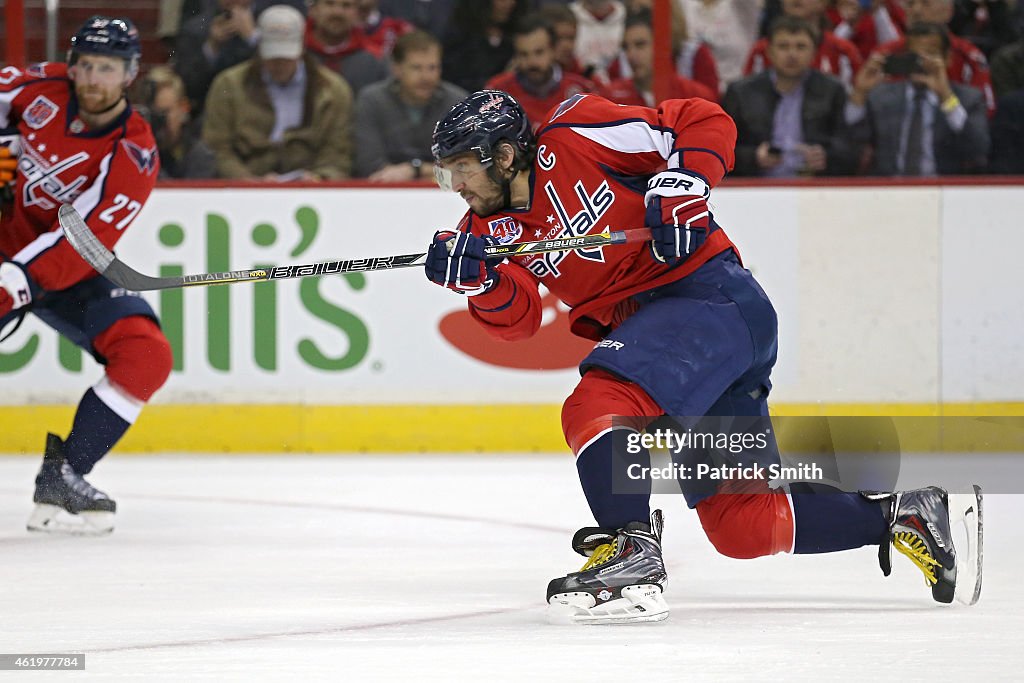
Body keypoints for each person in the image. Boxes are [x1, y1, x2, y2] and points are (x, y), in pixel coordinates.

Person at [424, 89, 983, 623]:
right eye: (445, 172)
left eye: (460, 168)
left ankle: (631, 549)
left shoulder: (576, 135)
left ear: (503, 155)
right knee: (742, 524)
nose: (454, 185)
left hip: (712, 300)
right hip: (688, 343)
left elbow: (700, 118)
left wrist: (684, 180)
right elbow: (517, 321)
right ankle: (903, 515)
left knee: (600, 399)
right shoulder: (482, 230)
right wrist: (482, 283)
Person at [0, 17, 172, 536]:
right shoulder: (37, 87)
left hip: (62, 271)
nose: (94, 79)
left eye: (109, 68)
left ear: (130, 76)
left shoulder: (133, 151)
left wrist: (18, 280)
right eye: (87, 66)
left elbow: (84, 240)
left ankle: (65, 474)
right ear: (72, 66)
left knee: (145, 355)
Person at [203, 5, 354, 180]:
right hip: (246, 187)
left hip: (312, 187)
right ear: (260, 48)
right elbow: (217, 149)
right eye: (273, 57)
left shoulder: (334, 90)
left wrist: (319, 178)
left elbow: (338, 152)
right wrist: (248, 181)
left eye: (286, 58)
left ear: (301, 49)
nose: (279, 64)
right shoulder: (228, 85)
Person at [847, 22, 989, 175]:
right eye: (914, 55)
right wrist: (859, 94)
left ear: (947, 58)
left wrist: (946, 97)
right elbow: (851, 143)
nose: (921, 62)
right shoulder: (881, 96)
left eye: (930, 54)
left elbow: (978, 149)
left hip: (944, 189)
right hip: (888, 189)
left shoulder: (968, 99)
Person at [723, 16, 855, 176]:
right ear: (769, 52)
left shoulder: (832, 90)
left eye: (801, 47)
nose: (792, 54)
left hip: (814, 187)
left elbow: (850, 148)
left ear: (814, 53)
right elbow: (720, 149)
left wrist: (826, 157)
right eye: (783, 46)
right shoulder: (741, 92)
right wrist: (753, 157)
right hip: (754, 188)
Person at [354, 30, 467, 179]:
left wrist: (416, 170)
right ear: (396, 69)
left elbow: (465, 167)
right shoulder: (372, 101)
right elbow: (369, 164)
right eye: (416, 68)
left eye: (432, 68)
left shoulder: (458, 103)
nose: (426, 77)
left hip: (444, 193)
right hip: (385, 191)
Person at [484, 13, 597, 129]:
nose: (532, 62)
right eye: (523, 54)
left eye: (539, 52)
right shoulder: (497, 93)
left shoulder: (582, 90)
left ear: (553, 50)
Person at [599, 9, 717, 106]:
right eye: (626, 47)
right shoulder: (610, 97)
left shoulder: (697, 96)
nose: (631, 54)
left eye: (640, 45)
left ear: (662, 45)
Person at [743, 0, 863, 90]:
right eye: (783, 47)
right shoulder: (761, 49)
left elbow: (856, 100)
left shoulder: (843, 50)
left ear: (823, 3)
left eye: (801, 47)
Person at [175, 0, 261, 114]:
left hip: (259, 111)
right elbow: (188, 87)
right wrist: (212, 46)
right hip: (210, 112)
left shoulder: (272, 21)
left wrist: (252, 37)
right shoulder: (195, 29)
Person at [140, 66, 216, 179]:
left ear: (184, 108)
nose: (158, 121)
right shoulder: (134, 152)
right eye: (152, 113)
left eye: (164, 113)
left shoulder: (200, 156)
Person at [305, 0, 390, 95]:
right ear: (312, 9)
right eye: (329, 3)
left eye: (346, 5)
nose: (337, 12)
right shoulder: (297, 54)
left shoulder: (375, 59)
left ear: (357, 13)